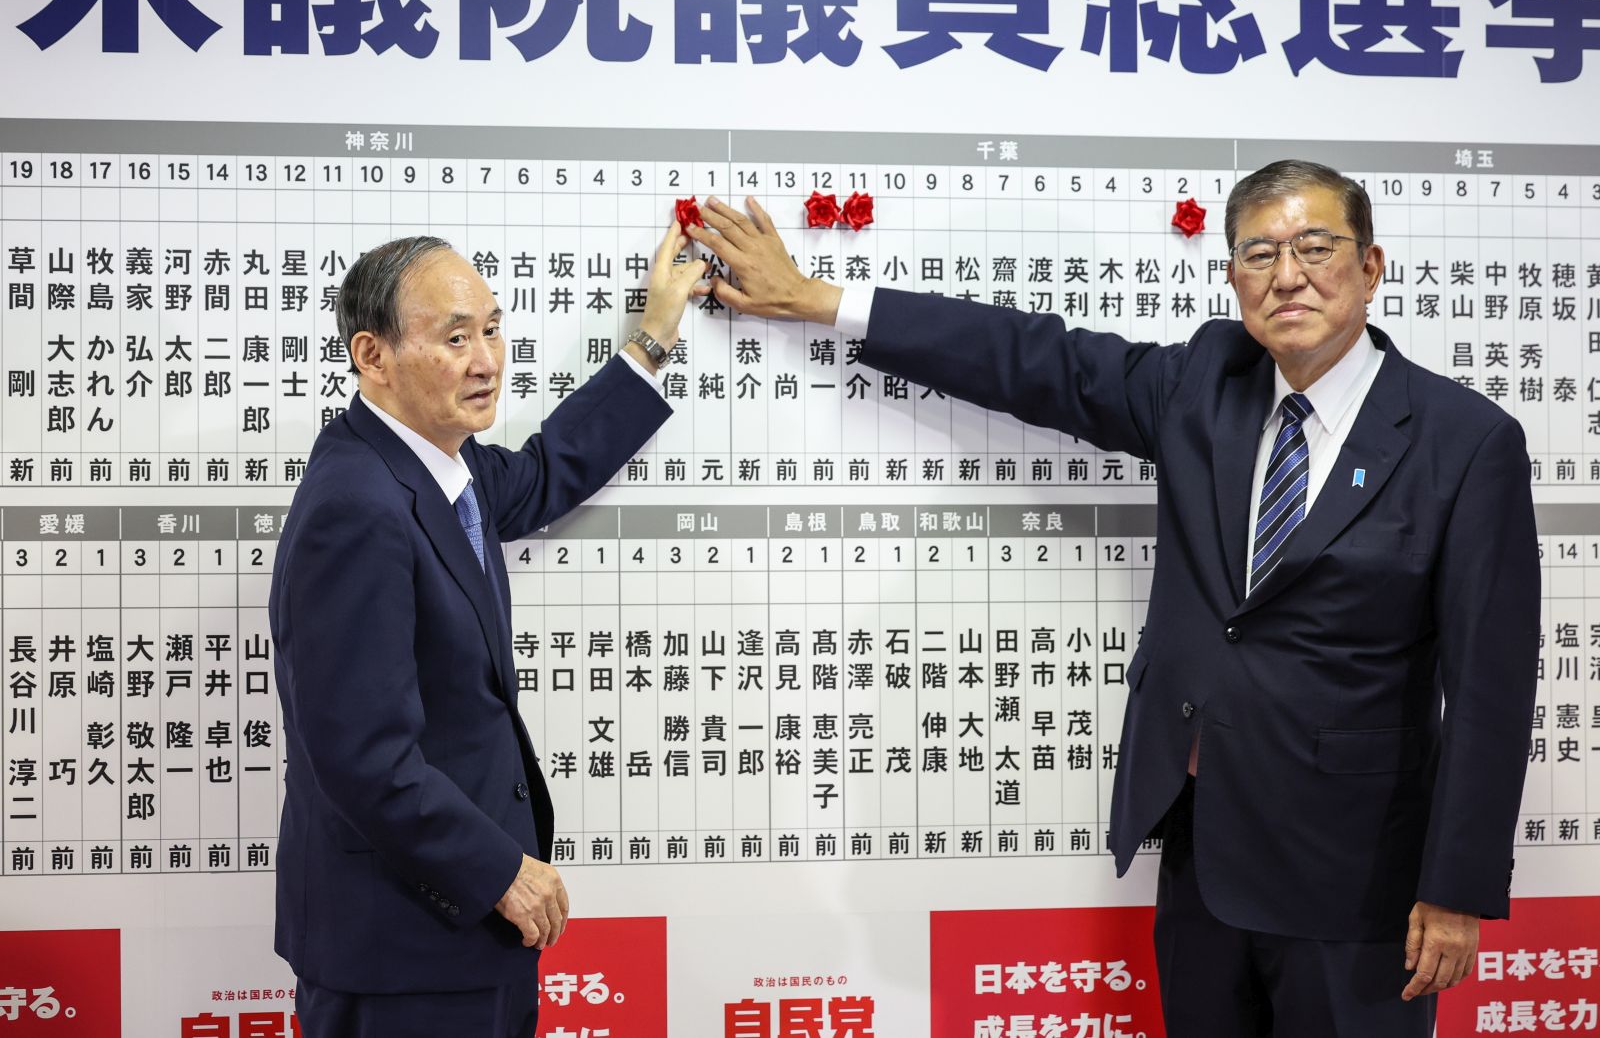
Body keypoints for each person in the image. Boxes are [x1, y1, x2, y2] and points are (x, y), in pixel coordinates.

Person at [689, 162, 1539, 1038]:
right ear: (1233, 277)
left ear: (1371, 267)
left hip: (1359, 881)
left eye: (1316, 248)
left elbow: (1490, 693)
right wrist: (820, 299)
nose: (1288, 275)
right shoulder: (1207, 384)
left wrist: (1456, 886)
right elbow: (1035, 359)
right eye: (1260, 253)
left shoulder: (1464, 444)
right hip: (1204, 859)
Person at [269, 223, 708, 1038]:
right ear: (373, 356)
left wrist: (653, 337)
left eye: (494, 328)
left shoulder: (442, 466)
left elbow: (547, 472)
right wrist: (501, 870)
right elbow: (363, 758)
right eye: (455, 337)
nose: (487, 359)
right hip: (403, 952)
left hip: (454, 938)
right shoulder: (357, 506)